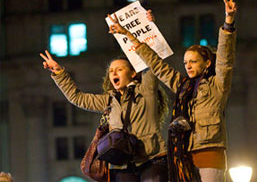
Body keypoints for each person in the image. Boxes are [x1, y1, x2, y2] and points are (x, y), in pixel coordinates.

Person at [107, 0, 237, 181]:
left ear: (207, 63)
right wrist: (128, 34)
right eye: (185, 63)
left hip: (210, 152)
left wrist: (228, 23)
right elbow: (157, 65)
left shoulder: (218, 84)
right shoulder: (182, 85)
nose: (188, 66)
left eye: (193, 61)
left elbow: (225, 58)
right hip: (183, 154)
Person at [40, 52, 169, 181]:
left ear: (133, 73)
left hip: (152, 158)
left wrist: (139, 45)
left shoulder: (146, 91)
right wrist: (59, 72)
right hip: (122, 163)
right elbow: (77, 98)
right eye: (111, 71)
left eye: (119, 69)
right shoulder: (108, 101)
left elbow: (149, 65)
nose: (114, 73)